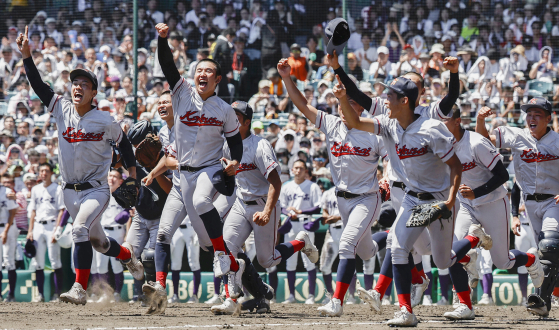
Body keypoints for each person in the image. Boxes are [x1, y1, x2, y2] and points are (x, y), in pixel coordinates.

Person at [336, 75, 490, 326]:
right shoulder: (388, 124)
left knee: (442, 260)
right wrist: (343, 98)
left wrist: (450, 202)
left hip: (438, 200)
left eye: (390, 96)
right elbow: (353, 121)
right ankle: (406, 311)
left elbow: (455, 166)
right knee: (397, 247)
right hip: (411, 198)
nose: (385, 100)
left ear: (405, 101)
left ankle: (472, 244)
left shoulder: (432, 129)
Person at [17, 26, 143, 305]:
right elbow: (38, 86)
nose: (77, 87)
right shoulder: (61, 108)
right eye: (75, 82)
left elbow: (123, 145)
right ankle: (128, 256)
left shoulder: (105, 120)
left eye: (84, 84)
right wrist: (27, 55)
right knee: (99, 242)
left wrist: (132, 176)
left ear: (94, 92)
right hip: (69, 192)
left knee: (78, 230)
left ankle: (79, 288)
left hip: (96, 190)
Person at [144, 23, 246, 314]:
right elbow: (166, 63)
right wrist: (162, 40)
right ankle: (229, 265)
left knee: (202, 202)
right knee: (193, 240)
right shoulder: (181, 93)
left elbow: (235, 142)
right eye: (199, 70)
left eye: (208, 72)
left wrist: (235, 161)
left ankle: (230, 296)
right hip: (182, 176)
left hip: (208, 170)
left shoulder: (224, 110)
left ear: (217, 79)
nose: (202, 74)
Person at [212, 101, 317, 314]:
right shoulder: (226, 144)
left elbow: (276, 183)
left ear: (247, 122)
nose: (232, 119)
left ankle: (301, 242)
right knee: (225, 249)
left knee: (266, 260)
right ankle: (231, 299)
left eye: (237, 116)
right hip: (242, 204)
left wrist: (268, 212)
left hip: (263, 203)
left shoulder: (260, 145)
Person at [442, 106, 543, 319]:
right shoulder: (442, 144)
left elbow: (503, 175)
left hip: (493, 202)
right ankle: (465, 303)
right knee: (452, 253)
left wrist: (476, 192)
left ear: (457, 121)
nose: (439, 124)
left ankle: (531, 259)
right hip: (467, 205)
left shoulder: (476, 143)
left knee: (502, 262)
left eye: (444, 120)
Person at [476, 97, 559, 317]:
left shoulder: (557, 141)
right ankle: (553, 294)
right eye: (529, 114)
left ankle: (541, 300)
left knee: (549, 246)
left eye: (537, 114)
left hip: (553, 201)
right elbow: (485, 139)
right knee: (546, 252)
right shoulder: (517, 136)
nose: (531, 118)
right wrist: (480, 120)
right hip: (529, 203)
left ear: (548, 118)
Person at [279, 159, 322, 305]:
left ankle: (311, 296)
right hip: (290, 225)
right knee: (290, 261)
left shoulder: (312, 186)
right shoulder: (286, 186)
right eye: (296, 168)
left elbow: (318, 207)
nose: (298, 171)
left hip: (305, 225)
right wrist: (289, 212)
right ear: (292, 170)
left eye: (301, 168)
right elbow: (281, 207)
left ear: (306, 171)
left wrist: (300, 211)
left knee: (309, 261)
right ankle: (291, 295)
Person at [27, 163, 65, 303]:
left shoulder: (57, 188)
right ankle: (41, 294)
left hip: (51, 225)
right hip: (38, 226)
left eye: (46, 171)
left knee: (55, 260)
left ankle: (57, 294)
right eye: (41, 170)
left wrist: (57, 229)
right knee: (38, 262)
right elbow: (33, 211)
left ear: (51, 173)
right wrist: (30, 230)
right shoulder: (35, 189)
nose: (44, 173)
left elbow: (62, 210)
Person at [92, 169, 130, 303]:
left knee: (116, 265)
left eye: (115, 176)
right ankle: (105, 294)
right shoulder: (101, 194)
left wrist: (125, 215)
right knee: (100, 265)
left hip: (117, 231)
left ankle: (117, 294)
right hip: (102, 230)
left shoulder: (123, 194)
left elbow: (129, 212)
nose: (111, 178)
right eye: (110, 175)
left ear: (120, 181)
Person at [0, 173, 19, 302]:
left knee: (8, 261)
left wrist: (5, 231)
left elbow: (12, 212)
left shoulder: (6, 191)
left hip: (8, 227)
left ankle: (11, 294)